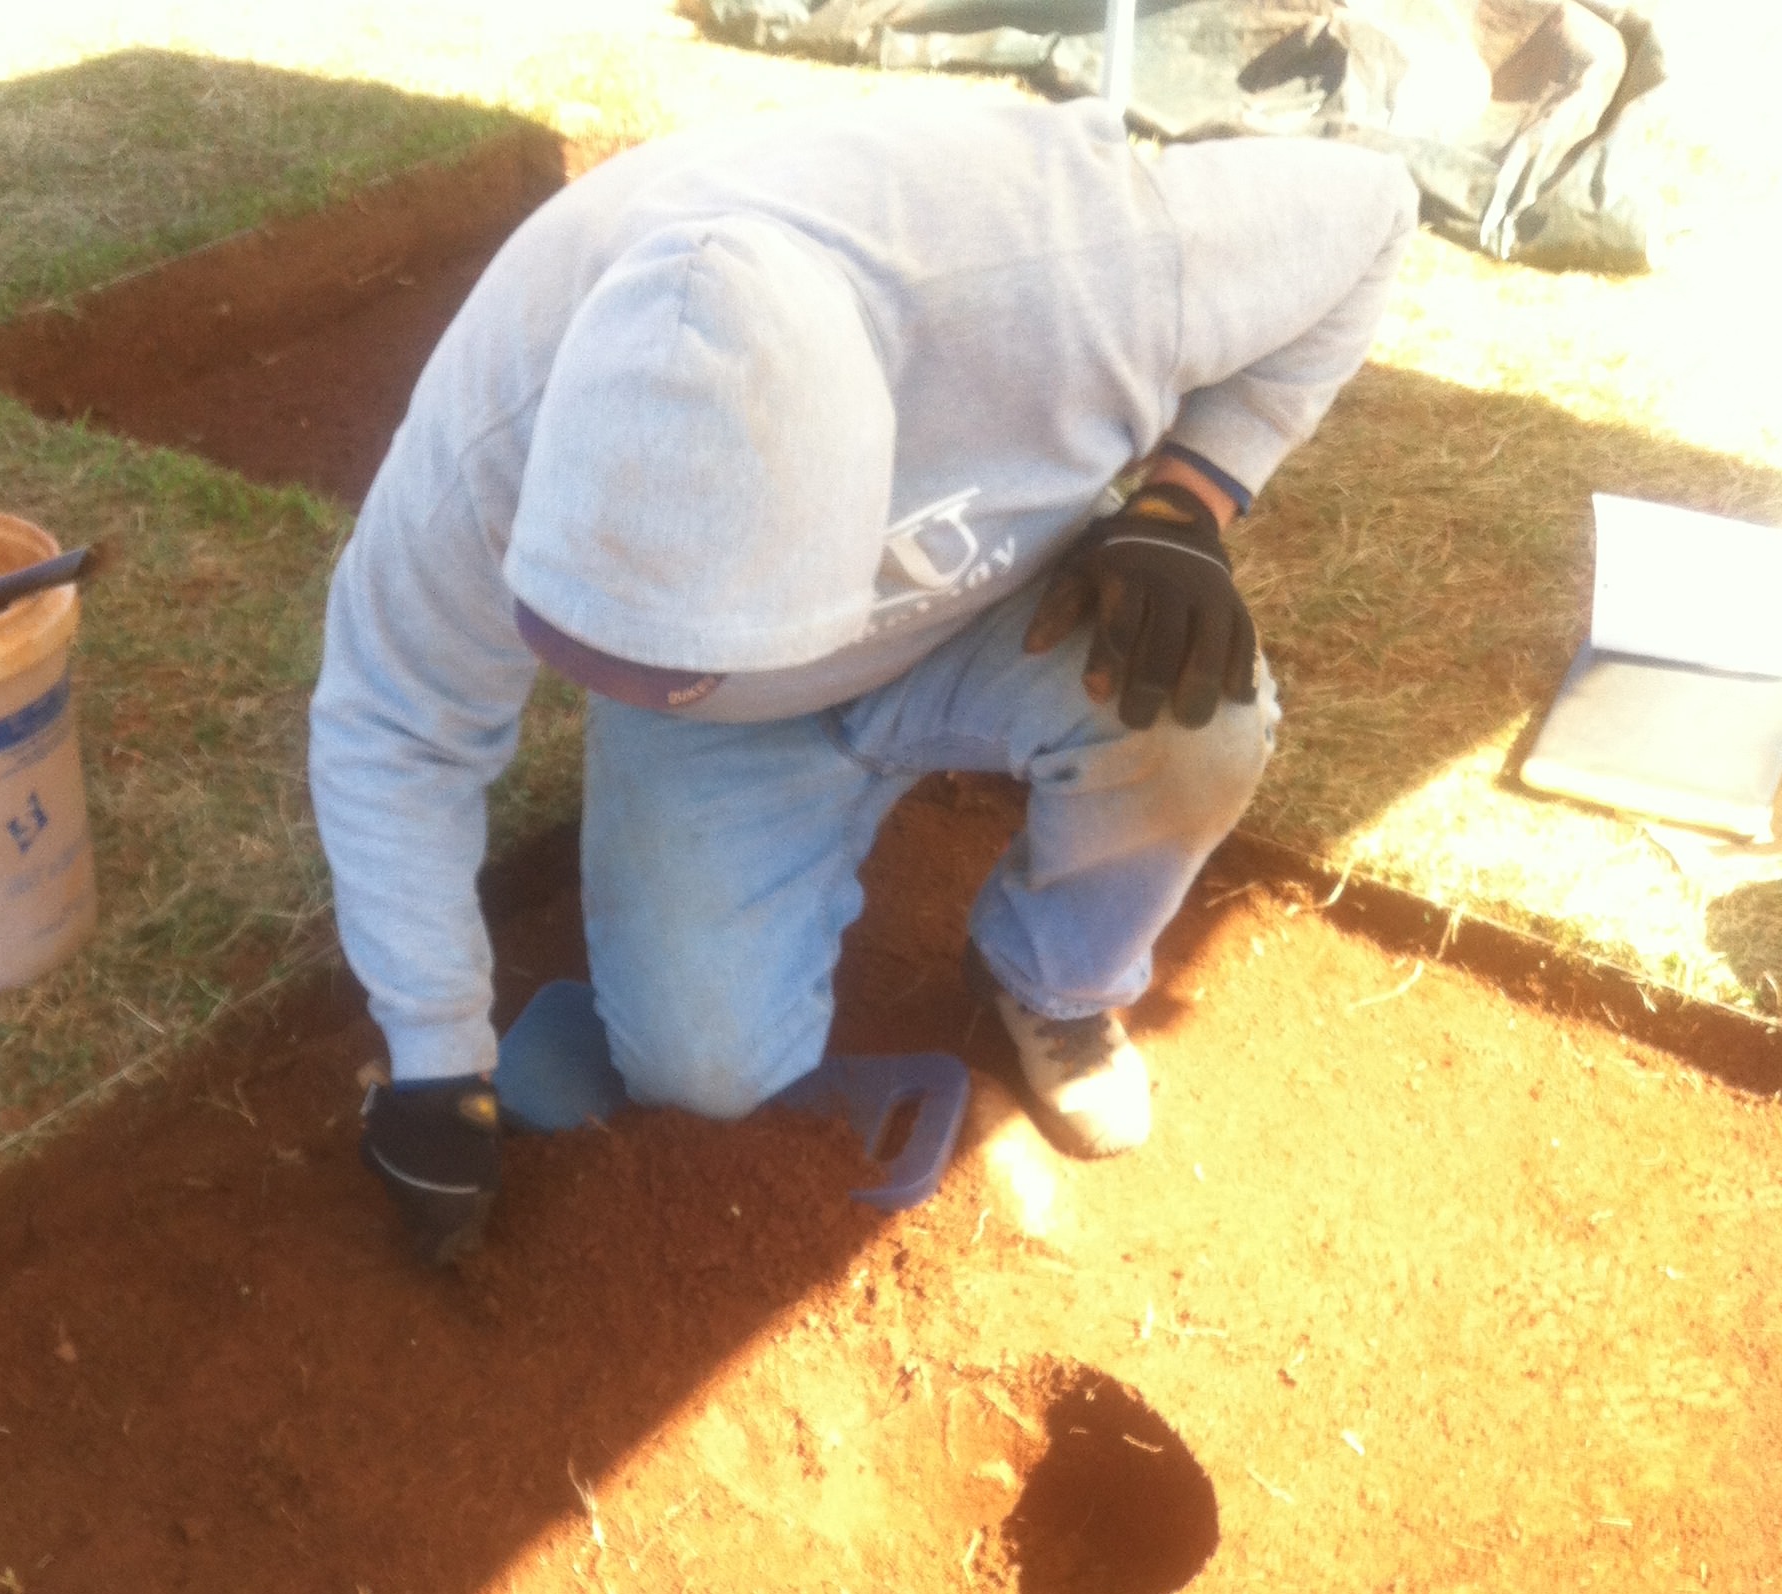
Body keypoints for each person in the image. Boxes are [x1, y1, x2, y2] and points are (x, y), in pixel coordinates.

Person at [309, 87, 1417, 1261]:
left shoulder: (1085, 274)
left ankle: (1049, 983)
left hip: (1001, 608)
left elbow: (1376, 212)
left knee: (1195, 727)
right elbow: (394, 726)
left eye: (675, 659)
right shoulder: (491, 438)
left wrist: (1186, 501)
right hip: (734, 740)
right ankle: (729, 853)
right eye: (608, 655)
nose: (629, 686)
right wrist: (434, 1058)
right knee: (705, 1086)